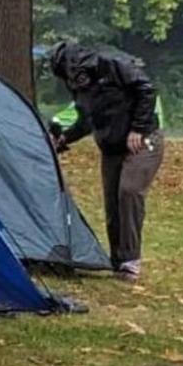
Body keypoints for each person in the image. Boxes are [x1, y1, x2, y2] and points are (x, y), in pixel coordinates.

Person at [47, 42, 164, 279]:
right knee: (112, 201)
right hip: (111, 145)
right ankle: (118, 260)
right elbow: (87, 121)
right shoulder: (79, 88)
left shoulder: (112, 64)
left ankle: (131, 260)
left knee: (129, 191)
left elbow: (146, 90)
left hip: (142, 140)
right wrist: (65, 138)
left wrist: (138, 129)